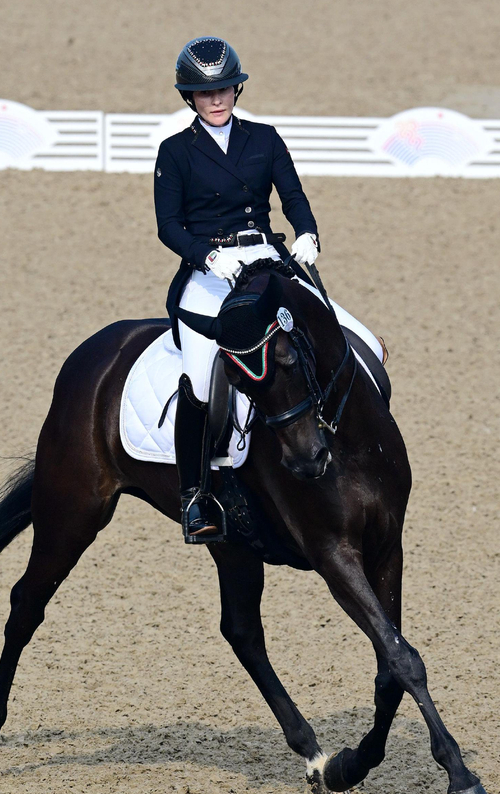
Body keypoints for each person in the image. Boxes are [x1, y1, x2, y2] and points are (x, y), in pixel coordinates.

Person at [154, 36, 383, 541]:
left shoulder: (265, 137)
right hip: (210, 271)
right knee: (197, 374)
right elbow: (168, 226)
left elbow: (293, 196)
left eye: (223, 90)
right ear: (189, 98)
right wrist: (210, 257)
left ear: (237, 89)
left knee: (352, 335)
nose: (215, 100)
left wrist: (307, 234)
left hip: (268, 259)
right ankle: (196, 496)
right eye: (203, 93)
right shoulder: (175, 152)